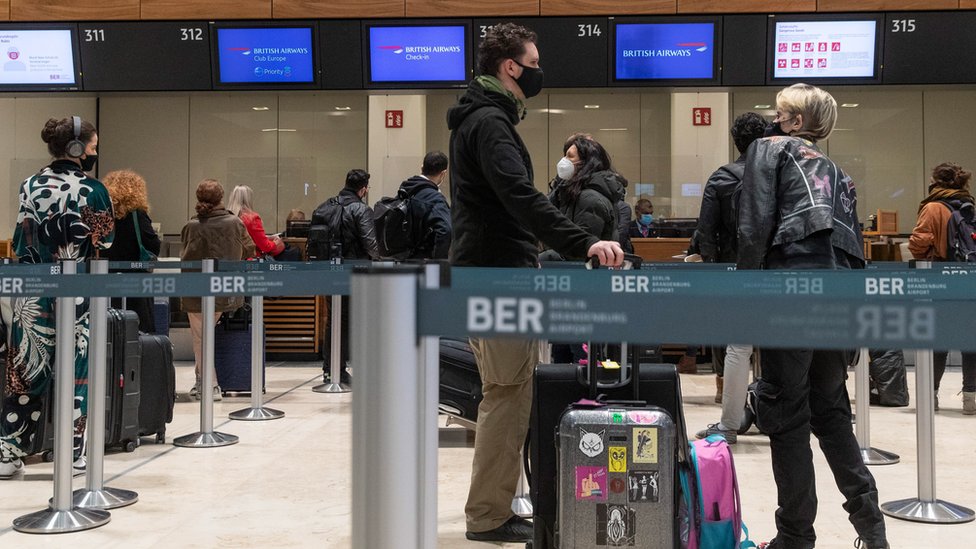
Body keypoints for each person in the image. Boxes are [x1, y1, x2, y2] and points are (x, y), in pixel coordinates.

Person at [447, 22, 623, 543]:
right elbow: (520, 197)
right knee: (506, 393)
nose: (540, 69)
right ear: (510, 67)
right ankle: (488, 515)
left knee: (509, 389)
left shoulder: (481, 120)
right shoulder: (491, 124)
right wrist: (582, 242)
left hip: (490, 269)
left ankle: (494, 506)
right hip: (497, 273)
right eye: (534, 60)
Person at [738, 83, 889, 549]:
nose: (771, 117)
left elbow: (754, 222)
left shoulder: (769, 148)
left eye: (779, 111)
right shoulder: (838, 172)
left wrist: (745, 291)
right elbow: (853, 248)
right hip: (836, 298)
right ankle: (873, 531)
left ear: (796, 121)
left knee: (784, 414)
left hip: (787, 293)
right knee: (832, 414)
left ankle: (795, 537)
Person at [1, 116, 114, 479]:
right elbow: (106, 242)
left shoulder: (29, 185)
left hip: (32, 293)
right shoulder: (94, 189)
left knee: (26, 372)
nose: (94, 153)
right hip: (77, 293)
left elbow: (21, 241)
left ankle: (8, 452)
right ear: (78, 149)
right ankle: (71, 452)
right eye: (93, 147)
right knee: (77, 374)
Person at [692, 112, 767, 442]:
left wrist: (713, 267)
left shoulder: (722, 177)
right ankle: (779, 416)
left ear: (734, 140)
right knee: (781, 348)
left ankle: (730, 424)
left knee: (739, 348)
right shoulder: (777, 176)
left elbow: (706, 232)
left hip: (734, 272)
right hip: (777, 270)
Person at [908, 162, 976, 413]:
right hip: (968, 278)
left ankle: (930, 396)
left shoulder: (933, 207)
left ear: (936, 181)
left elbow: (918, 243)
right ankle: (971, 398)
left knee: (938, 340)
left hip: (940, 278)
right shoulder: (968, 204)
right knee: (970, 340)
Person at [180, 179, 254, 401]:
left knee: (200, 337)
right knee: (203, 336)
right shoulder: (234, 223)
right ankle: (202, 381)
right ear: (221, 198)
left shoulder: (190, 226)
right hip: (225, 287)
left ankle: (209, 384)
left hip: (195, 287)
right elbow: (249, 248)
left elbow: (185, 255)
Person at [314, 169, 378, 385]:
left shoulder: (325, 206)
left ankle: (331, 369)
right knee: (349, 320)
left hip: (327, 272)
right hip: (355, 273)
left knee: (334, 319)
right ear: (363, 189)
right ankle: (340, 370)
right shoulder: (361, 209)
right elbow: (371, 245)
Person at [103, 169, 162, 333]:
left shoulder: (102, 214)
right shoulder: (137, 215)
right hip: (135, 280)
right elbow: (152, 244)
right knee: (137, 329)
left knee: (108, 325)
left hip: (105, 279)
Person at [393, 151, 452, 259]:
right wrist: (439, 262)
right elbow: (445, 230)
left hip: (402, 259)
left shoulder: (405, 189)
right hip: (423, 262)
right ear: (444, 173)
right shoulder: (434, 198)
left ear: (422, 168)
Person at [227, 185, 301, 261]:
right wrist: (276, 243)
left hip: (231, 260)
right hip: (251, 262)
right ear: (248, 199)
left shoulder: (227, 217)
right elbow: (265, 246)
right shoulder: (252, 218)